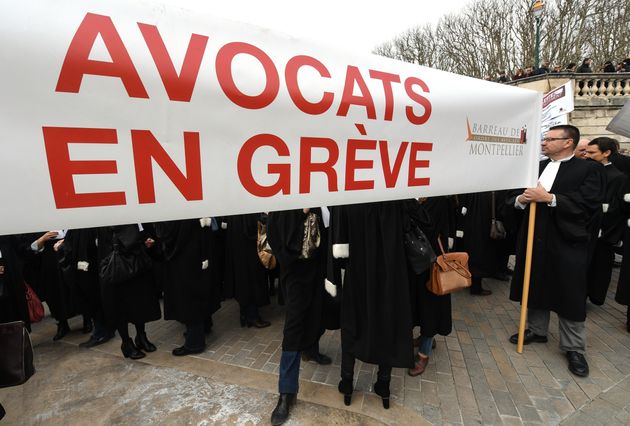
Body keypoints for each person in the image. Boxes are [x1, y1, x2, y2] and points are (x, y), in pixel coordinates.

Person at [507, 124, 605, 378]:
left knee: (569, 293)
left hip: (567, 241)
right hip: (533, 239)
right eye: (544, 139)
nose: (543, 143)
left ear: (568, 143)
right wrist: (521, 200)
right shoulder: (536, 167)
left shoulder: (588, 169)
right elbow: (513, 198)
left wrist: (549, 198)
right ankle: (536, 330)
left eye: (550, 139)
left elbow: (589, 203)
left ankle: (574, 348)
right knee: (534, 283)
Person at [328, 201, 414, 410]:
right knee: (388, 321)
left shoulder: (349, 191)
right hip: (390, 270)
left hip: (358, 271)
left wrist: (335, 276)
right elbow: (409, 225)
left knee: (353, 321)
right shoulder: (396, 191)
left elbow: (339, 241)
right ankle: (383, 384)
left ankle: (347, 382)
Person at [266, 208, 331, 425]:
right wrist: (300, 213)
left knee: (316, 314)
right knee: (293, 327)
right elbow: (278, 238)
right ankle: (287, 392)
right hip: (295, 273)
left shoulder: (320, 196)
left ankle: (311, 350)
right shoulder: (285, 201)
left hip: (318, 268)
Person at [154, 219, 221, 356]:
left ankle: (194, 343)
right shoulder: (195, 205)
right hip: (201, 254)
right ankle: (204, 327)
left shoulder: (179, 211)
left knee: (189, 298)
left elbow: (168, 233)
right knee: (200, 291)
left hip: (186, 258)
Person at [97, 224, 162, 359]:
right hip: (119, 267)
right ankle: (126, 343)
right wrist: (141, 242)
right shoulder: (107, 219)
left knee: (139, 304)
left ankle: (141, 336)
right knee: (121, 308)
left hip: (139, 265)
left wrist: (147, 242)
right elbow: (123, 239)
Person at [407, 198, 453, 376]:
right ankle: (415, 340)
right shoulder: (405, 193)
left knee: (430, 310)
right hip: (410, 262)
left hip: (432, 262)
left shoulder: (439, 197)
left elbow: (433, 227)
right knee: (411, 305)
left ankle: (424, 353)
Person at [585, 138, 628, 305]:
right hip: (584, 227)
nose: (587, 156)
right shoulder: (587, 170)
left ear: (606, 153)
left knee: (599, 266)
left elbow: (617, 207)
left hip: (604, 230)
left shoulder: (618, 177)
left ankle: (593, 295)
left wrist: (604, 224)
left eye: (592, 153)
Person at [223, 214, 271, 328]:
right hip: (248, 249)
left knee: (242, 281)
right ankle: (252, 316)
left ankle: (244, 314)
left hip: (237, 247)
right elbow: (250, 228)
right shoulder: (245, 207)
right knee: (251, 282)